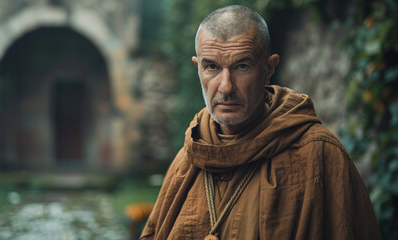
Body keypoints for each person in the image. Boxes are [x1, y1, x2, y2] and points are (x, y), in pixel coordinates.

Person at [140, 5, 381, 240]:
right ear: (198, 68)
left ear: (269, 68)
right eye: (211, 66)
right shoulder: (188, 158)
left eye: (242, 66)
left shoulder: (320, 155)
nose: (225, 87)